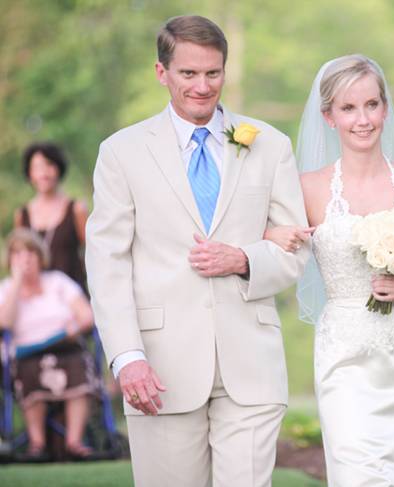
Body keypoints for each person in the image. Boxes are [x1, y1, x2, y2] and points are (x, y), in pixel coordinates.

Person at [85, 15, 309, 487]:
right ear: (161, 73)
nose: (203, 86)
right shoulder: (121, 152)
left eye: (213, 73)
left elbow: (295, 249)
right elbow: (107, 264)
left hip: (250, 363)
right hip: (159, 369)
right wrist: (127, 357)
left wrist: (245, 259)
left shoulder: (271, 145)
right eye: (189, 74)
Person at [265, 55, 394, 486]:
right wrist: (272, 235)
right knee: (356, 471)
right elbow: (262, 237)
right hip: (345, 353)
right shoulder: (306, 188)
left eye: (371, 105)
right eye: (348, 108)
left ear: (385, 108)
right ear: (329, 117)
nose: (362, 119)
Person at [0, 228, 95, 460]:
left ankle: (74, 442)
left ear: (40, 256)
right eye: (18, 254)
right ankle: (37, 444)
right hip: (25, 354)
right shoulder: (5, 289)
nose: (26, 259)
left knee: (79, 365)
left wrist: (74, 328)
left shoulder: (58, 282)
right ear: (10, 259)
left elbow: (86, 316)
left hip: (65, 346)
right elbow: (5, 323)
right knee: (27, 370)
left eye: (30, 252)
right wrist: (17, 283)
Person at [14, 142, 88, 293]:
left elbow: (93, 252)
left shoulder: (76, 209)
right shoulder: (22, 215)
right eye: (36, 168)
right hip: (37, 299)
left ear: (58, 168)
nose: (43, 173)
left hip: (73, 298)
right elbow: (19, 259)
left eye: (48, 165)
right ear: (29, 173)